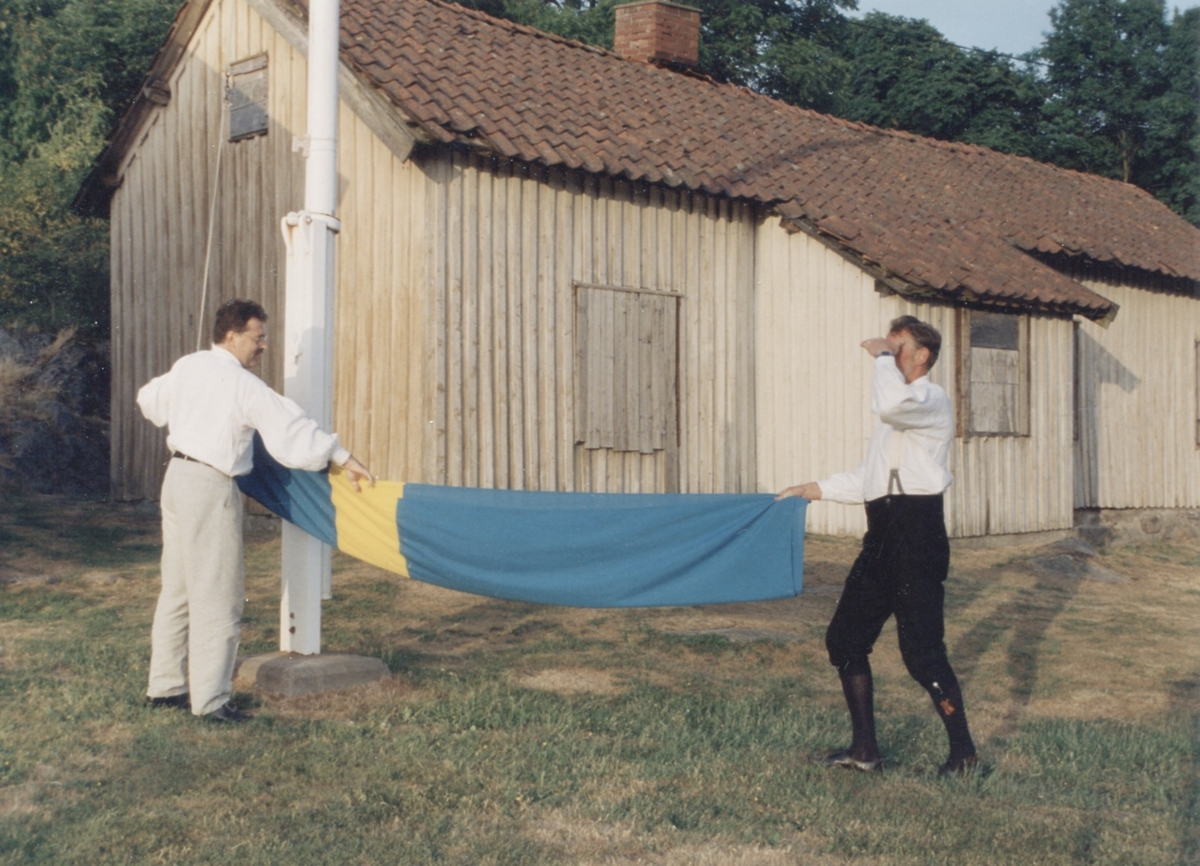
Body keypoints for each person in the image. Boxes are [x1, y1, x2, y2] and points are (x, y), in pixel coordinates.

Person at [137, 299, 373, 722]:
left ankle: (164, 687)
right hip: (211, 486)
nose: (263, 347)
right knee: (218, 597)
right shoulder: (242, 384)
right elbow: (290, 429)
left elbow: (149, 402)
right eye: (258, 338)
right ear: (231, 336)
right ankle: (210, 702)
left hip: (176, 481)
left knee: (177, 590)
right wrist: (340, 455)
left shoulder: (188, 366)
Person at [778, 315, 978, 777]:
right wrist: (813, 487)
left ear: (921, 355)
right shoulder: (897, 414)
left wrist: (883, 357)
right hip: (882, 534)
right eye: (888, 348)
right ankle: (864, 750)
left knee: (923, 656)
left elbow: (889, 404)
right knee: (845, 641)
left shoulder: (931, 399)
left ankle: (964, 753)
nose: (887, 353)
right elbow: (872, 480)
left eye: (898, 346)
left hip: (918, 536)